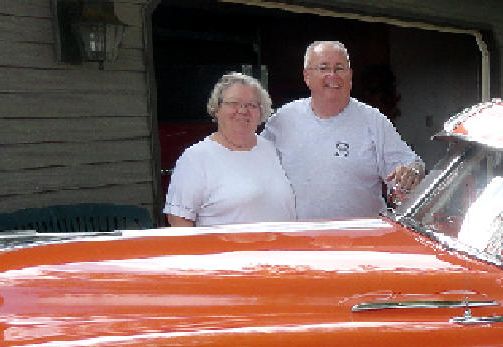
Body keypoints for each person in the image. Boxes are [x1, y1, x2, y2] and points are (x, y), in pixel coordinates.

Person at [262, 40, 424, 220]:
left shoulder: (373, 120)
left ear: (350, 75)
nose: (332, 75)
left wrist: (412, 171)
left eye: (340, 68)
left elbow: (409, 165)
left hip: (360, 239)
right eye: (323, 68)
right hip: (299, 239)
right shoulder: (282, 120)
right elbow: (255, 167)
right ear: (307, 76)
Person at [163, 72, 297, 227]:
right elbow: (179, 219)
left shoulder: (270, 149)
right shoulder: (196, 158)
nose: (242, 110)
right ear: (217, 109)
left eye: (251, 105)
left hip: (279, 249)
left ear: (260, 112)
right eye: (233, 103)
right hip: (227, 250)